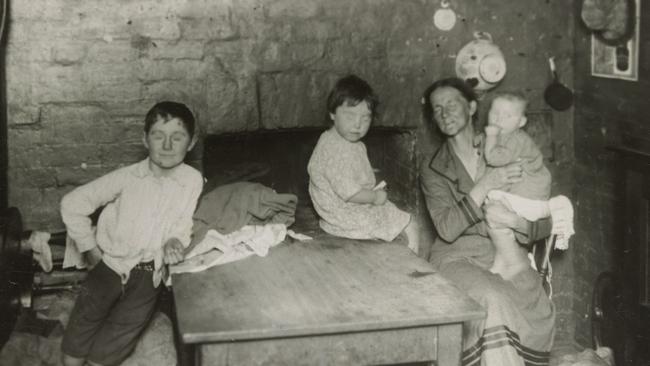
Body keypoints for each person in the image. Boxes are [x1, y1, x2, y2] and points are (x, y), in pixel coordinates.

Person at [420, 77, 555, 366]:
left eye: (452, 104)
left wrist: (515, 221)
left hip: (506, 256)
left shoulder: (507, 145)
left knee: (538, 307)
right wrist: (485, 183)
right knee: (491, 297)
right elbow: (446, 227)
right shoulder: (432, 168)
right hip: (457, 258)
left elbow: (543, 218)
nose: (444, 113)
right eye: (437, 108)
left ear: (471, 107)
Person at [59, 101, 204, 366]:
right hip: (110, 265)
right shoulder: (127, 177)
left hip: (149, 274)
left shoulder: (192, 180)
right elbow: (72, 203)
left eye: (177, 137)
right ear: (145, 140)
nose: (168, 145)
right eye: (158, 136)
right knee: (85, 321)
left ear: (191, 142)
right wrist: (90, 248)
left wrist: (175, 239)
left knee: (121, 332)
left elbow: (182, 221)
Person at [308, 74, 419, 252]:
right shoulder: (335, 150)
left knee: (389, 209)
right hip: (344, 216)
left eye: (365, 118)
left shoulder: (339, 139)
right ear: (332, 113)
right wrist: (375, 197)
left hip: (334, 216)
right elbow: (350, 193)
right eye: (350, 116)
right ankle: (414, 251)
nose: (358, 125)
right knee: (407, 219)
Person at [483, 91, 552, 278]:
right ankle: (504, 259)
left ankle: (516, 260)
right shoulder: (506, 136)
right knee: (493, 212)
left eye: (507, 115)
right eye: (495, 112)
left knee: (492, 206)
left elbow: (493, 157)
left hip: (532, 197)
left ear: (521, 122)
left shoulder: (517, 139)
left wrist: (489, 135)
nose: (499, 119)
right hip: (523, 192)